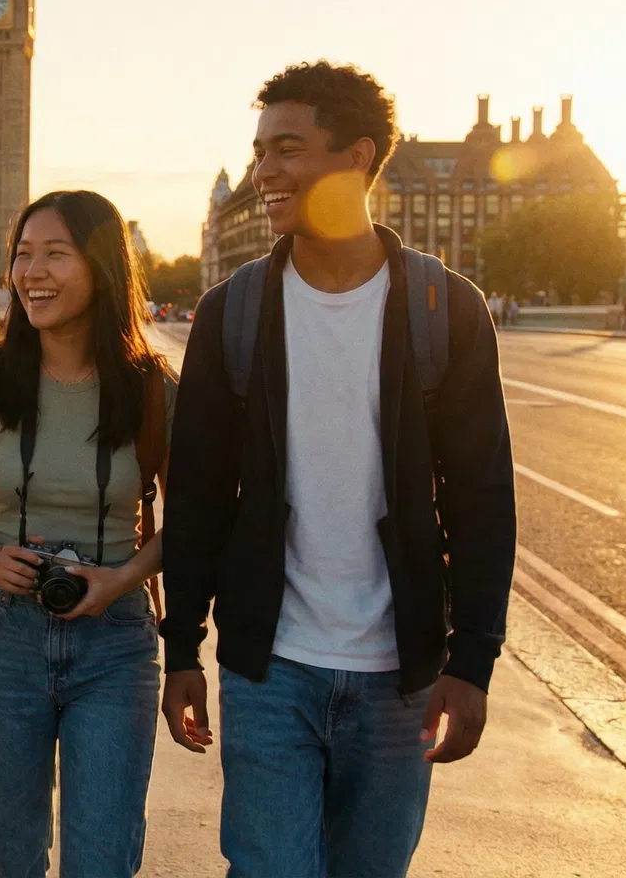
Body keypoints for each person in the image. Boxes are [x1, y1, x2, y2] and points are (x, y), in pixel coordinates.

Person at [160, 61, 517, 877]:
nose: (265, 172)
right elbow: (199, 497)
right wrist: (182, 645)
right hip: (270, 670)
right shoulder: (233, 312)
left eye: (288, 149)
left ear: (358, 158)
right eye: (259, 151)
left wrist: (473, 661)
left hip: (400, 679)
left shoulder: (445, 309)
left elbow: (482, 500)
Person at [0, 190, 175, 877]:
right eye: (22, 255)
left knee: (103, 854)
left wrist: (123, 577)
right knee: (11, 852)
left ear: (102, 268)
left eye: (55, 255)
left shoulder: (154, 389)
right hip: (4, 635)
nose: (31, 272)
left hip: (116, 643)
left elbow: (191, 525)